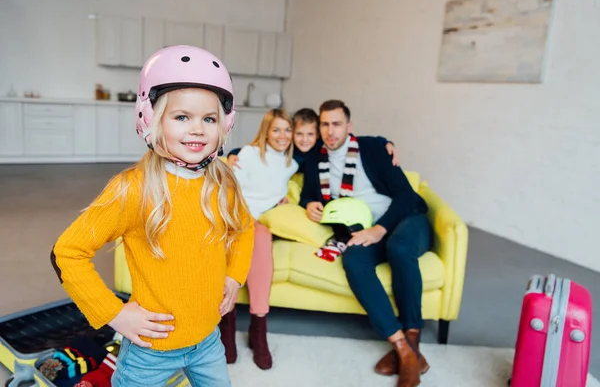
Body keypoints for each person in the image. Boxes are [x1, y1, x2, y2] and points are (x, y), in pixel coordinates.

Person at [50, 46, 254, 387]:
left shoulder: (223, 182)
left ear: (224, 125)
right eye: (181, 117)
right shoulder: (132, 189)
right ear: (151, 118)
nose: (198, 130)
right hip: (151, 350)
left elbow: (245, 229)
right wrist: (114, 314)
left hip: (207, 340)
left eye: (209, 118)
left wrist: (234, 277)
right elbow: (68, 253)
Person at [299, 99, 432, 387]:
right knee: (354, 260)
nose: (330, 131)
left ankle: (413, 337)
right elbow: (307, 192)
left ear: (349, 126)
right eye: (324, 124)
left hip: (405, 219)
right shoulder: (314, 160)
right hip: (364, 229)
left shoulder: (372, 148)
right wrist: (309, 203)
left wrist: (380, 229)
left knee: (399, 248)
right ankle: (404, 350)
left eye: (336, 124)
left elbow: (406, 195)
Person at [219, 109, 298, 370]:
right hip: (237, 217)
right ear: (266, 131)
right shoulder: (248, 155)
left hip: (261, 223)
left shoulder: (292, 164)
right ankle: (227, 329)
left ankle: (258, 328)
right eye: (276, 129)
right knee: (242, 239)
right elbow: (232, 190)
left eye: (288, 130)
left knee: (261, 240)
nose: (283, 136)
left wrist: (282, 201)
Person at [226, 107, 399, 171]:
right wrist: (232, 155)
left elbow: (357, 139)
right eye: (299, 134)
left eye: (310, 135)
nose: (304, 140)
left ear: (317, 136)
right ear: (293, 134)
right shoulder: (288, 150)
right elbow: (257, 148)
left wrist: (385, 143)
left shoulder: (322, 148)